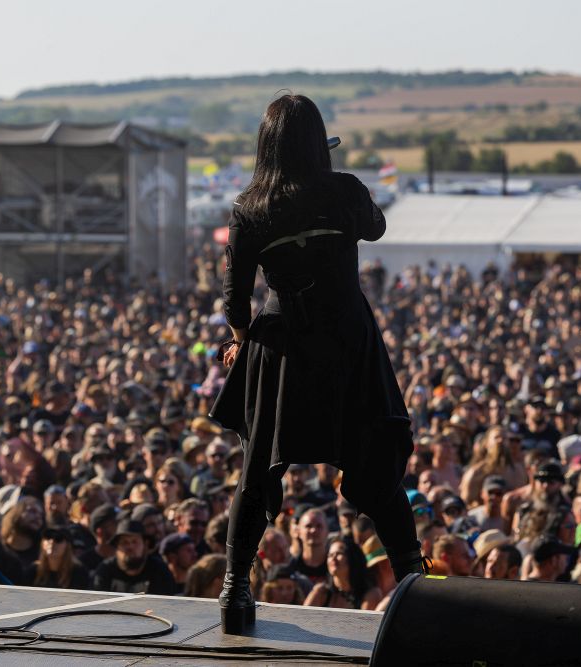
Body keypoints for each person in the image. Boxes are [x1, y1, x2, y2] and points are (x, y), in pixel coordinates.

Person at [209, 95, 421, 633]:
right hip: (347, 341)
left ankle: (235, 591)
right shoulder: (345, 190)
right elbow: (375, 228)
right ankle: (414, 583)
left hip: (284, 348)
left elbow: (236, 301)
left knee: (258, 473)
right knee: (372, 460)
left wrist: (239, 343)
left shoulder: (249, 207)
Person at [93, 517, 176, 595]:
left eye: (135, 542)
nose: (130, 547)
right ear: (117, 547)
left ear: (145, 545)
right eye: (124, 543)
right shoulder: (105, 570)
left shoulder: (160, 570)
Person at [304, 537, 382, 610]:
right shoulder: (321, 592)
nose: (333, 558)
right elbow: (301, 619)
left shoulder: (371, 594)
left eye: (339, 554)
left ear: (352, 558)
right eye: (330, 555)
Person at [26, 526, 90, 589]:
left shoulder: (79, 572)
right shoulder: (33, 570)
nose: (52, 542)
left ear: (67, 546)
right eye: (48, 537)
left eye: (58, 539)